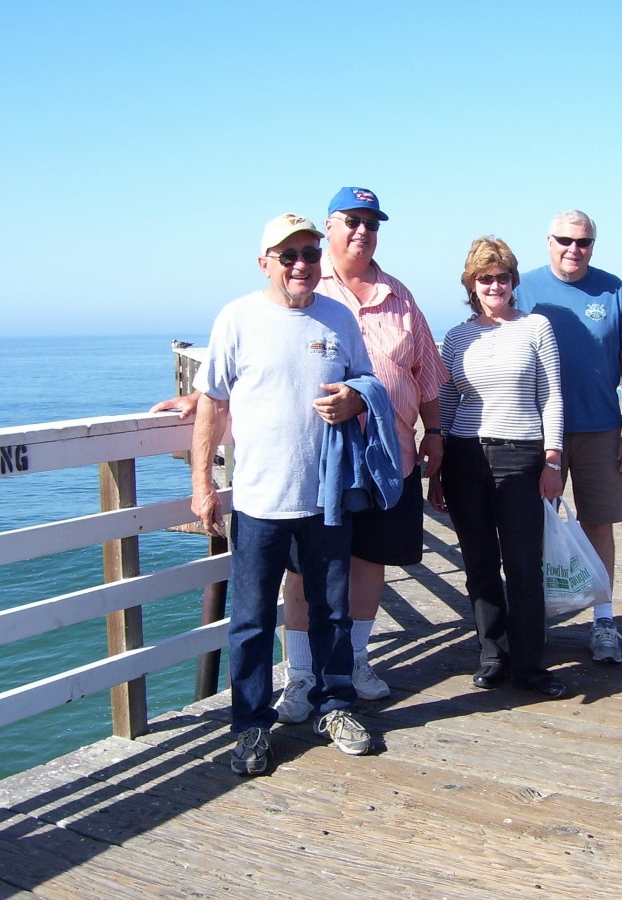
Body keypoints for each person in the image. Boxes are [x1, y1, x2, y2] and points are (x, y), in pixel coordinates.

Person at [189, 213, 380, 776]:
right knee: (250, 622)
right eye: (289, 254)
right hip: (256, 502)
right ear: (265, 262)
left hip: (325, 497)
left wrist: (354, 400)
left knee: (333, 612)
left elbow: (366, 382)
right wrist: (203, 484)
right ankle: (250, 726)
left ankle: (336, 705)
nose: (303, 264)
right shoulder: (238, 318)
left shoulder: (339, 317)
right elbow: (213, 403)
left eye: (311, 253)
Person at [274, 187, 448, 723]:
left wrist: (435, 434)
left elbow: (427, 375)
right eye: (351, 221)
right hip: (319, 463)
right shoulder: (304, 282)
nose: (362, 232)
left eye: (371, 223)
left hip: (389, 459)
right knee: (305, 569)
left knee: (371, 561)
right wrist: (203, 395)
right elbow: (261, 354)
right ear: (329, 226)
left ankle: (353, 663)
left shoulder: (400, 296)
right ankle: (301, 675)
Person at [428, 236, 567, 698]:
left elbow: (551, 396)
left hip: (521, 455)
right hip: (466, 456)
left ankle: (529, 666)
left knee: (525, 566)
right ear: (472, 284)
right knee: (480, 564)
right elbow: (447, 398)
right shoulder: (457, 336)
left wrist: (553, 457)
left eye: (502, 277)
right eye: (484, 278)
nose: (493, 285)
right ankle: (493, 656)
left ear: (513, 282)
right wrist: (439, 463)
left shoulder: (537, 328)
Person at [514, 210, 622, 664]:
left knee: (598, 523)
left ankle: (604, 621)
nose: (574, 249)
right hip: (535, 431)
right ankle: (535, 618)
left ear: (594, 245)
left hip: (600, 429)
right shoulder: (522, 287)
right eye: (565, 240)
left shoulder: (613, 289)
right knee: (533, 526)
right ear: (547, 241)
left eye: (584, 242)